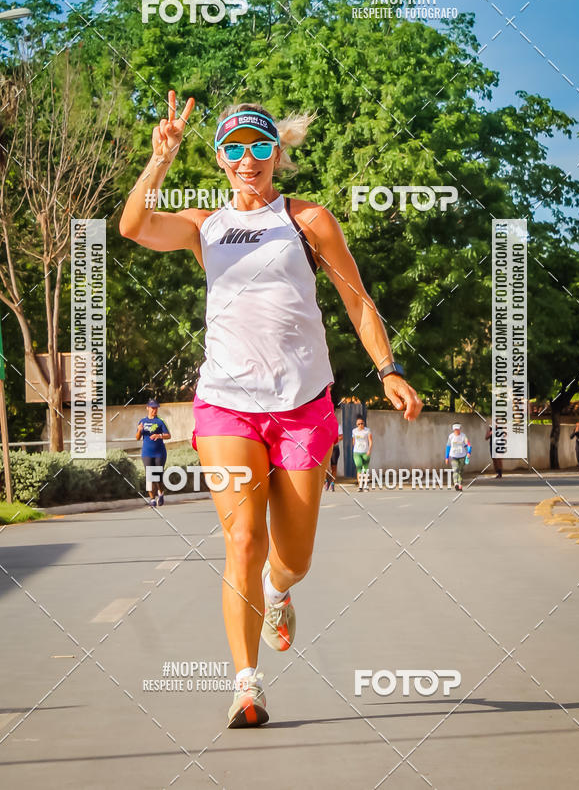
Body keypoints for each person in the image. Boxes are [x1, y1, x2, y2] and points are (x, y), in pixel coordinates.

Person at [119, 91, 423, 729]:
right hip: (226, 406)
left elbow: (357, 299)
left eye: (260, 146)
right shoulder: (204, 227)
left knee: (294, 556)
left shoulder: (309, 220)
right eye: (234, 147)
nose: (248, 157)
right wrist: (160, 159)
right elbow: (133, 227)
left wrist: (388, 369)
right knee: (243, 539)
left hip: (302, 407)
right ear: (222, 160)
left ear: (278, 155)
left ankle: (278, 592)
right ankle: (246, 686)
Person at [136, 399, 171, 506]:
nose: (154, 410)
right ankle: (152, 499)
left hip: (159, 453)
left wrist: (159, 435)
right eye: (152, 408)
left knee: (158, 476)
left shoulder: (160, 421)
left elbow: (168, 435)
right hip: (147, 453)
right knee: (149, 476)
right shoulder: (142, 421)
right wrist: (139, 430)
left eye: (156, 408)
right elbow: (137, 438)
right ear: (147, 408)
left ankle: (161, 493)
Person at [445, 422, 471, 491]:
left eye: (458, 429)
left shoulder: (463, 436)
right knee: (455, 469)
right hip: (453, 456)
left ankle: (460, 484)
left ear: (460, 429)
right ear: (453, 429)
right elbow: (448, 447)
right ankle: (456, 483)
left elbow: (468, 445)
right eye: (456, 429)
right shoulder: (451, 436)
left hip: (462, 456)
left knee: (460, 471)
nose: (457, 430)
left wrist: (469, 452)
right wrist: (446, 457)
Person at [352, 416, 372, 490]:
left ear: (364, 423)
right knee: (359, 467)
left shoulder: (367, 430)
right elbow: (353, 440)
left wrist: (369, 450)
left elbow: (370, 441)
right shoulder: (354, 431)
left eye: (362, 423)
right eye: (359, 424)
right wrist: (355, 447)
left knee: (365, 469)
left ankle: (366, 485)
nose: (360, 425)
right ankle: (360, 485)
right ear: (357, 425)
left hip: (365, 451)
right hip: (357, 452)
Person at [324, 420, 343, 491]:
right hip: (326, 448)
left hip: (334, 448)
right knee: (325, 466)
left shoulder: (338, 426)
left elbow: (341, 436)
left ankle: (332, 483)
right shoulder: (324, 424)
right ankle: (326, 481)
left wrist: (333, 441)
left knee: (334, 466)